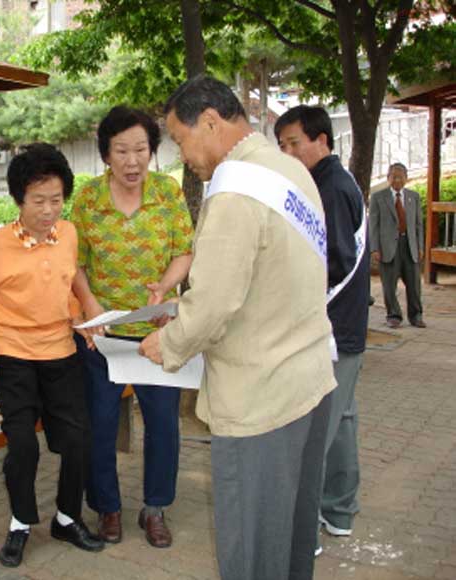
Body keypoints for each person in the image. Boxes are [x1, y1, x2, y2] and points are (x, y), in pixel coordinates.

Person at [140, 75, 336, 580]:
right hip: (309, 382)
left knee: (252, 550)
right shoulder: (289, 170)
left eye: (181, 140)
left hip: (260, 401)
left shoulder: (234, 191)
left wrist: (169, 342)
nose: (182, 155)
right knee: (291, 537)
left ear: (210, 122)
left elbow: (214, 302)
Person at [0, 143, 104, 568]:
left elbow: (68, 281)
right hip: (11, 355)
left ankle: (66, 517)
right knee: (23, 444)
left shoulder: (69, 234)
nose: (48, 210)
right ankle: (20, 523)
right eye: (38, 201)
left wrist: (85, 316)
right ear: (19, 199)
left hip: (60, 350)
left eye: (56, 200)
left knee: (77, 438)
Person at [71, 106, 193, 548]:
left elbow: (184, 251)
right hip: (101, 336)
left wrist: (164, 285)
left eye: (140, 149)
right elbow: (75, 262)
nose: (132, 161)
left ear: (152, 152)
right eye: (121, 150)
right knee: (99, 424)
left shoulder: (168, 192)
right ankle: (108, 507)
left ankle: (155, 508)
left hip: (156, 331)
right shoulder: (86, 199)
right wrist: (88, 300)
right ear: (106, 154)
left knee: (163, 423)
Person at [275, 105, 370, 551]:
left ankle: (302, 528)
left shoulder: (329, 188)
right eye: (282, 146)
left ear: (322, 141)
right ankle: (339, 511)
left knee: (319, 428)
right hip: (347, 329)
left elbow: (334, 264)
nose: (289, 152)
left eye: (295, 143)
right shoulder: (335, 181)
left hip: (332, 330)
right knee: (342, 419)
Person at [369, 163, 426, 328]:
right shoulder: (378, 197)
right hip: (387, 248)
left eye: (401, 176)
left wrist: (420, 246)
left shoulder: (413, 197)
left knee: (414, 284)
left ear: (406, 179)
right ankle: (393, 315)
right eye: (394, 176)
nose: (397, 180)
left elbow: (418, 225)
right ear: (388, 178)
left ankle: (416, 316)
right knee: (389, 285)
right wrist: (374, 248)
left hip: (410, 246)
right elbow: (374, 225)